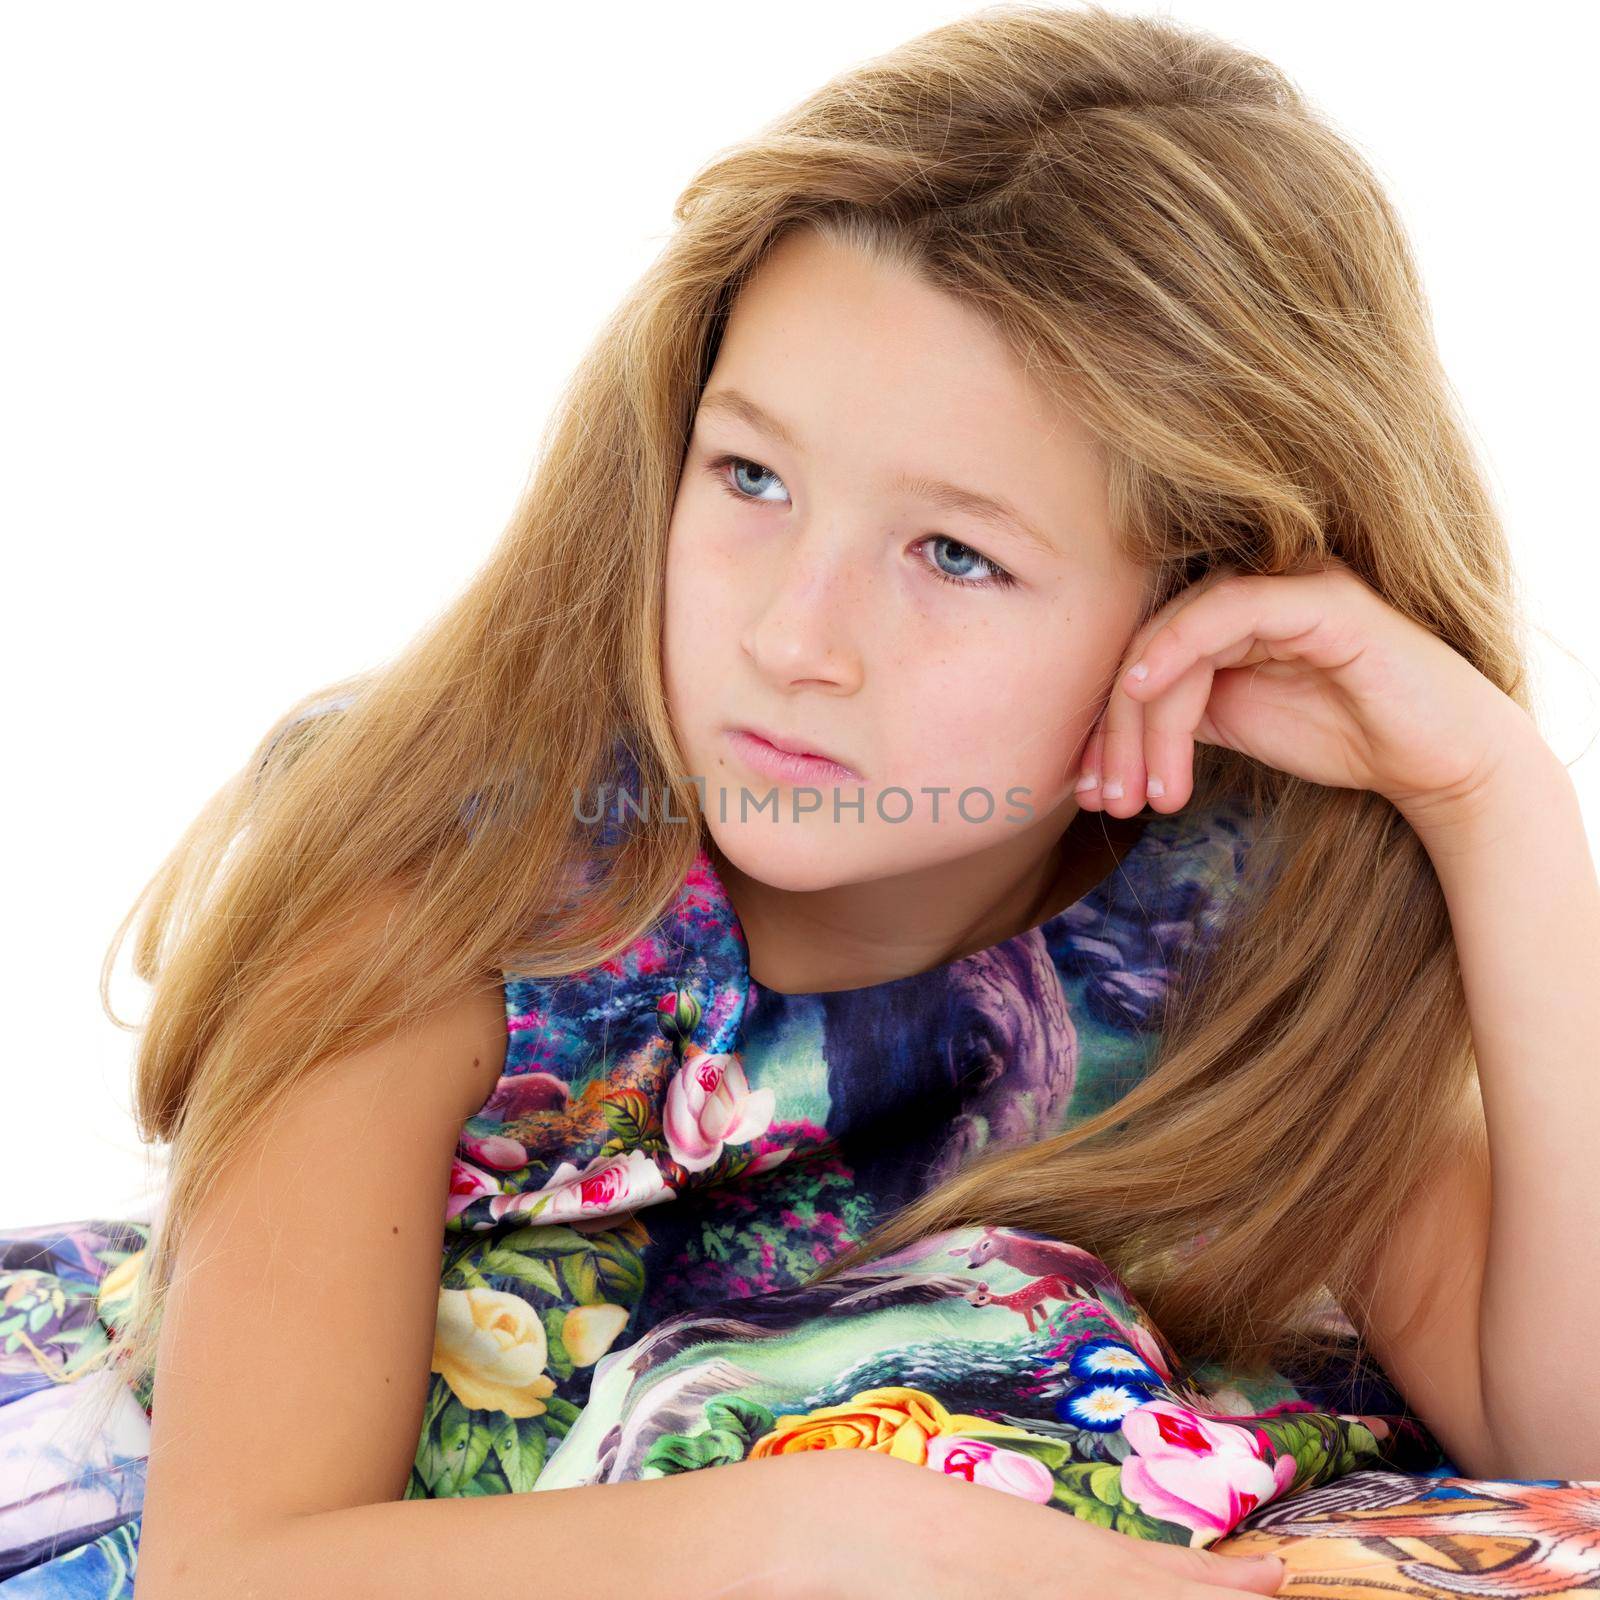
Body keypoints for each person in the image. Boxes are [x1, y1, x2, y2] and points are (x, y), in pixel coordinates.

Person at [4, 4, 1597, 1596]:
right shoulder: (451, 876)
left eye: (954, 554)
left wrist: (1490, 801)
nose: (791, 639)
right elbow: (235, 1570)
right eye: (751, 478)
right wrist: (818, 1540)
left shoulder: (1229, 921)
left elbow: (1569, 1433)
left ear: (1203, 591)